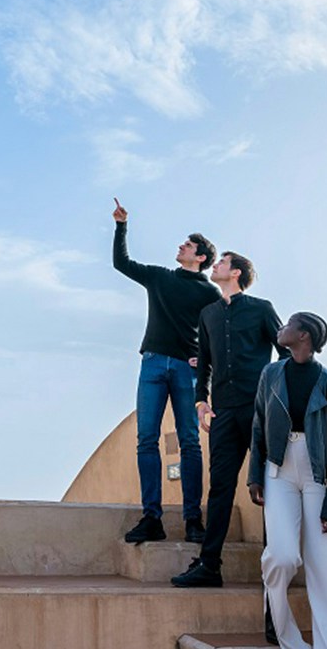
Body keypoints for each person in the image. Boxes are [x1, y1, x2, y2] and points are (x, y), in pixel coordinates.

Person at [171, 251, 286, 586]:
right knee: (219, 487)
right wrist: (200, 403)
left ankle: (273, 572)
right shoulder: (207, 314)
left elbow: (286, 353)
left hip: (258, 411)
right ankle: (209, 566)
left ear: (236, 273)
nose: (216, 266)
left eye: (221, 262)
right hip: (222, 413)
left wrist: (274, 398)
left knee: (268, 486)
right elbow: (203, 362)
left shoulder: (262, 309)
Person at [111, 197, 221, 544]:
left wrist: (203, 361)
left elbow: (217, 334)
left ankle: (193, 521)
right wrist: (121, 226)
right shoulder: (159, 277)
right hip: (153, 363)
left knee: (190, 441)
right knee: (146, 439)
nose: (181, 246)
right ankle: (151, 518)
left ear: (200, 256)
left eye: (187, 244)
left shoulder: (210, 293)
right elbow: (121, 263)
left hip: (187, 372)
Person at [249, 312, 327, 649]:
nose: (281, 328)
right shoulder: (270, 374)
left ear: (304, 335)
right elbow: (258, 426)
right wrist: (255, 475)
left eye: (288, 324)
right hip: (278, 471)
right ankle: (289, 639)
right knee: (281, 557)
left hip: (317, 476)